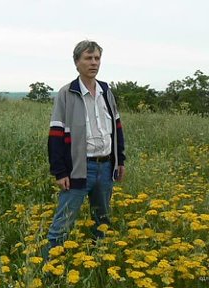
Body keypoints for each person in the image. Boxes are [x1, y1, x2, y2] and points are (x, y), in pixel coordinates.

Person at [45, 40, 125, 254]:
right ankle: (46, 270)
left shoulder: (106, 91)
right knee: (62, 225)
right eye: (88, 58)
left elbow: (116, 127)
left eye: (97, 58)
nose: (93, 63)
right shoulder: (66, 93)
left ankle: (98, 262)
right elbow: (55, 135)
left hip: (106, 167)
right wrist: (60, 171)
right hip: (79, 169)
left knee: (102, 221)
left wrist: (120, 161)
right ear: (77, 63)